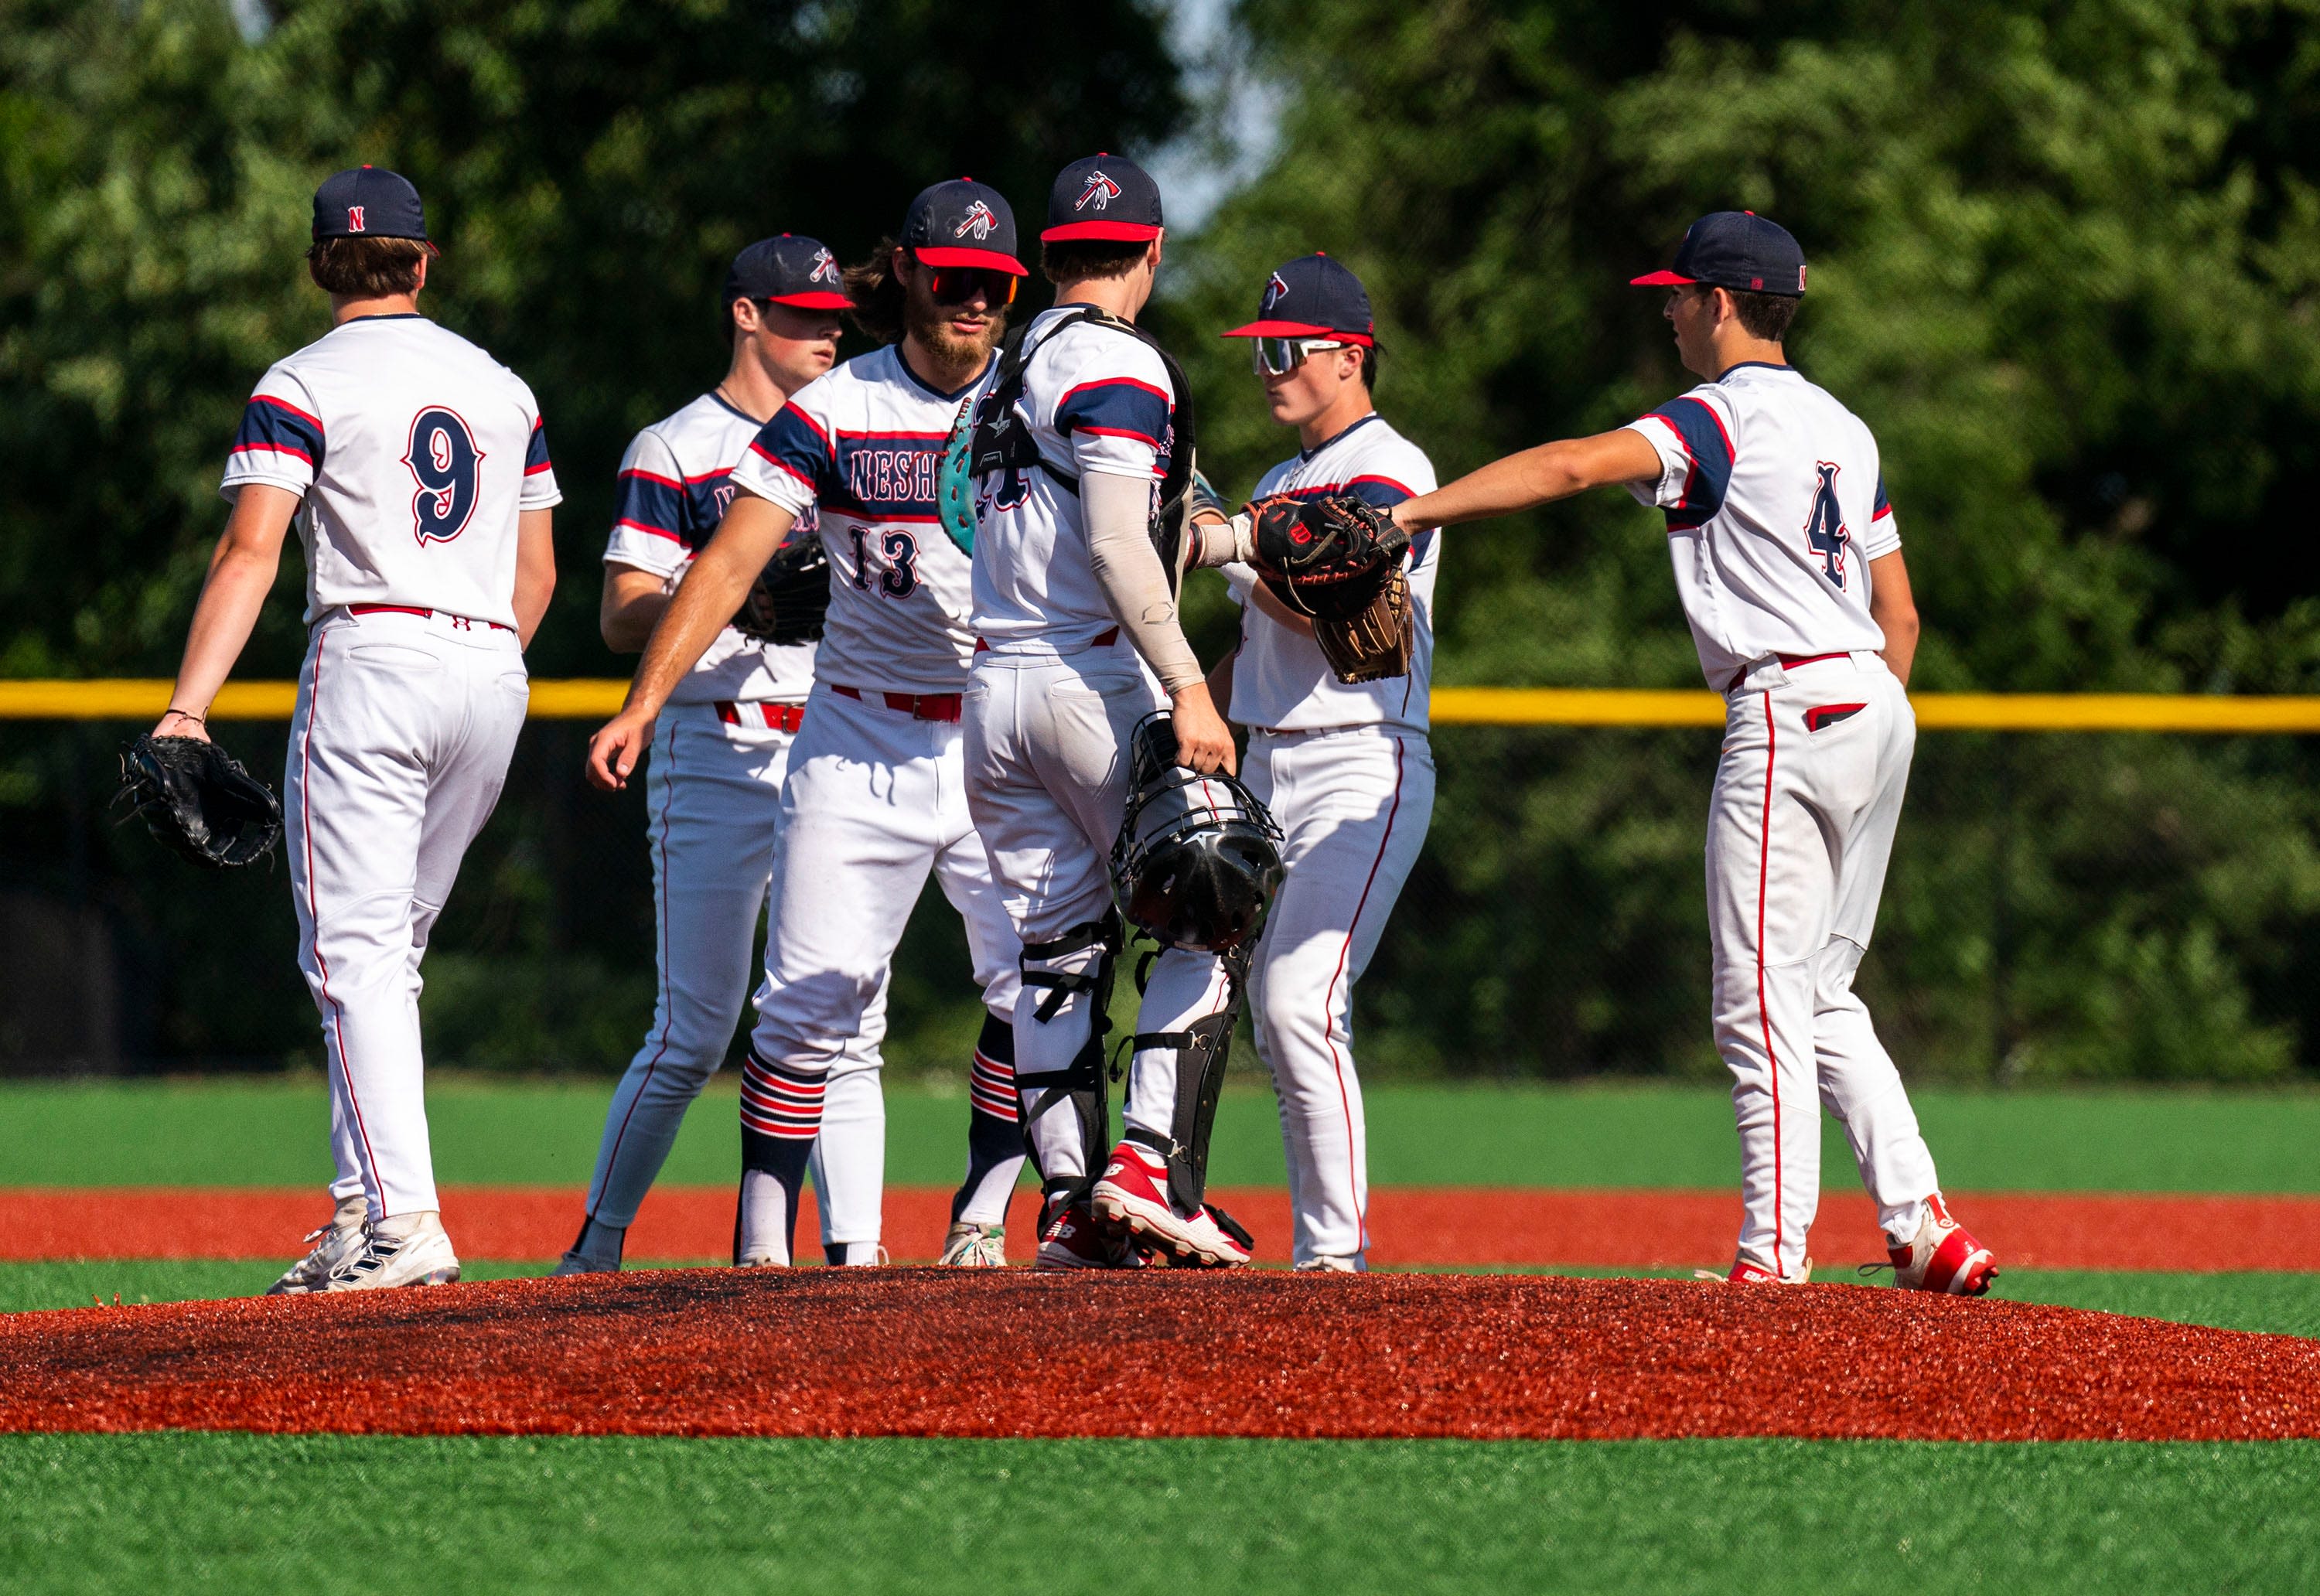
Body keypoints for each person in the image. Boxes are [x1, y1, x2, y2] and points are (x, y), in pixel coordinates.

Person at [1394, 211, 1997, 1294]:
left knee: (1754, 999)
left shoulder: (1719, 419)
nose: (1667, 311)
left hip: (1789, 704)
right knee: (1820, 992)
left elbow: (1575, 467)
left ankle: (1773, 1257)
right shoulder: (1846, 429)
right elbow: (1899, 616)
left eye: (1677, 295)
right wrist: (1863, 722)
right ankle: (1922, 1223)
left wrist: (1414, 516)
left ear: (1722, 302)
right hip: (1875, 702)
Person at [586, 180, 1029, 1269]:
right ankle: (709, 1252)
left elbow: (1156, 500)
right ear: (915, 275)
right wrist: (646, 699)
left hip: (988, 736)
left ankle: (942, 1234)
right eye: (956, 278)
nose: (975, 299)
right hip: (810, 737)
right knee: (769, 1013)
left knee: (1015, 991)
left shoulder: (1042, 396)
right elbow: (716, 566)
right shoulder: (790, 421)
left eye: (996, 285)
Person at [158, 167, 560, 1292]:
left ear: (318, 265)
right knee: (390, 958)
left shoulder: (303, 378)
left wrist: (189, 706)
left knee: (352, 956)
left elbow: (251, 550)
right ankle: (359, 1213)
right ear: (422, 262)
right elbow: (539, 570)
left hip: (373, 656)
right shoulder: (503, 385)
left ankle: (403, 1220)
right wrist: (484, 666)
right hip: (492, 666)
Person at [556, 235, 887, 1275]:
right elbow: (619, 614)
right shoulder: (678, 445)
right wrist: (739, 594)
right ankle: (597, 1248)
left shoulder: (854, 430)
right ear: (745, 315)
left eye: (835, 315)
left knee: (850, 1023)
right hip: (718, 747)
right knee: (694, 1030)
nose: (826, 331)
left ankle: (860, 1258)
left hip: (840, 745)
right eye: (801, 313)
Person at [961, 152, 1262, 1269]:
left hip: (993, 687)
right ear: (1153, 250)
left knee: (1056, 952)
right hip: (1094, 677)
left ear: (1046, 258)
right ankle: (1147, 1170)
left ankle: (1070, 1208)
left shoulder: (1007, 368)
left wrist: (1229, 538)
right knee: (1212, 898)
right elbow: (1114, 540)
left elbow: (1022, 523)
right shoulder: (1117, 364)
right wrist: (1189, 685)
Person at [1209, 254, 1438, 1272]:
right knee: (1232, 998)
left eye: (1285, 348)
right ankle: (1185, 1206)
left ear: (1348, 356)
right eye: (1260, 350)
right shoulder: (1274, 482)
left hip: (1361, 763)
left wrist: (1229, 545)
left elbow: (1336, 602)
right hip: (1262, 762)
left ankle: (1334, 1261)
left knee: (1301, 998)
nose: (1268, 366)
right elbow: (1261, 643)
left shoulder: (1398, 467)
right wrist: (1175, 713)